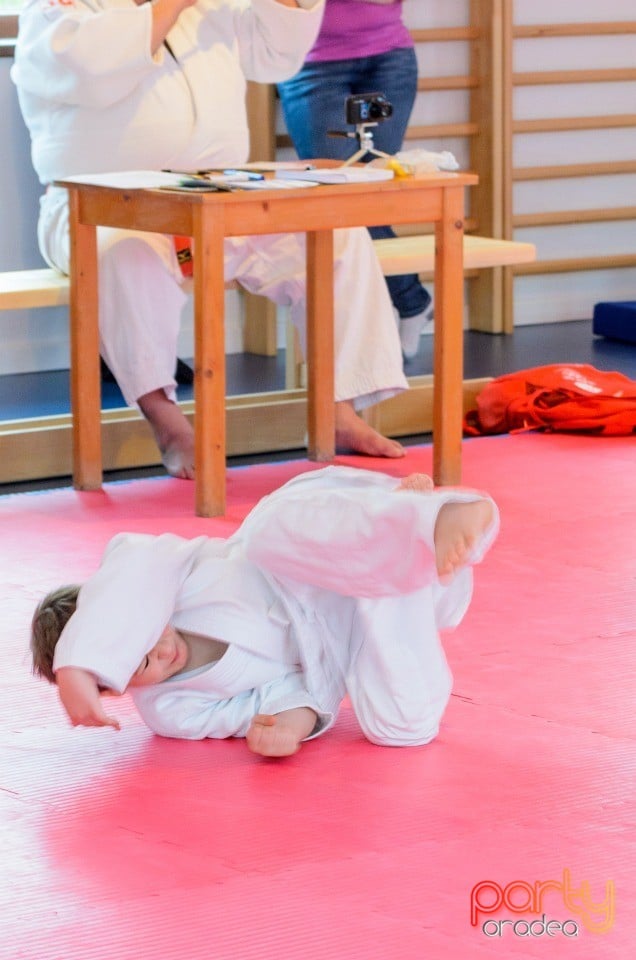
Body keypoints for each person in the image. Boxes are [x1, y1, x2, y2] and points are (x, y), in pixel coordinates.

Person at [11, 0, 409, 481]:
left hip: (218, 194)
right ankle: (166, 420)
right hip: (101, 205)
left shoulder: (212, 9)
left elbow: (275, 57)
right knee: (123, 255)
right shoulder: (54, 8)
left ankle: (338, 409)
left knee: (335, 235)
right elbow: (91, 73)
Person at [30, 465, 499, 757]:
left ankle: (425, 520)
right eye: (132, 669)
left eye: (136, 639)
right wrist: (290, 726)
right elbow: (276, 698)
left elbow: (129, 566)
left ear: (122, 607)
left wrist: (79, 667)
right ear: (115, 692)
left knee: (269, 529)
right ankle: (404, 538)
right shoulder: (172, 712)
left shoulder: (163, 573)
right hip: (355, 631)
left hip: (317, 551)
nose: (153, 654)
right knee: (400, 728)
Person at [277, 0, 432, 360]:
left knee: (369, 195)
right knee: (343, 200)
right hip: (313, 65)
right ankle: (410, 301)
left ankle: (405, 306)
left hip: (388, 61)